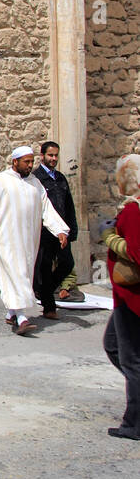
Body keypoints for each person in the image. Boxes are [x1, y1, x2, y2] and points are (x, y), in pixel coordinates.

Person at [0, 145, 69, 336]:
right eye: (26, 162)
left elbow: (47, 209)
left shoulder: (35, 184)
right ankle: (22, 319)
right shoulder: (0, 181)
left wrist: (60, 230)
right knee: (16, 274)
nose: (30, 165)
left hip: (29, 241)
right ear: (15, 162)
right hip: (7, 239)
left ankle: (12, 312)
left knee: (23, 275)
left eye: (31, 162)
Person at [101, 154, 140, 441]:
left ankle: (134, 423)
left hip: (132, 297)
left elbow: (137, 253)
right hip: (125, 298)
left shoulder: (134, 211)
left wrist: (111, 238)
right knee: (113, 346)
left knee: (131, 360)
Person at [32, 140, 78, 319]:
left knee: (67, 263)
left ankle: (45, 292)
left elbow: (69, 205)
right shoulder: (36, 179)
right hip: (45, 231)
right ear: (42, 156)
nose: (53, 158)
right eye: (50, 155)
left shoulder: (60, 178)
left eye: (56, 155)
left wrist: (71, 230)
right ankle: (49, 307)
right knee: (44, 267)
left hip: (61, 232)